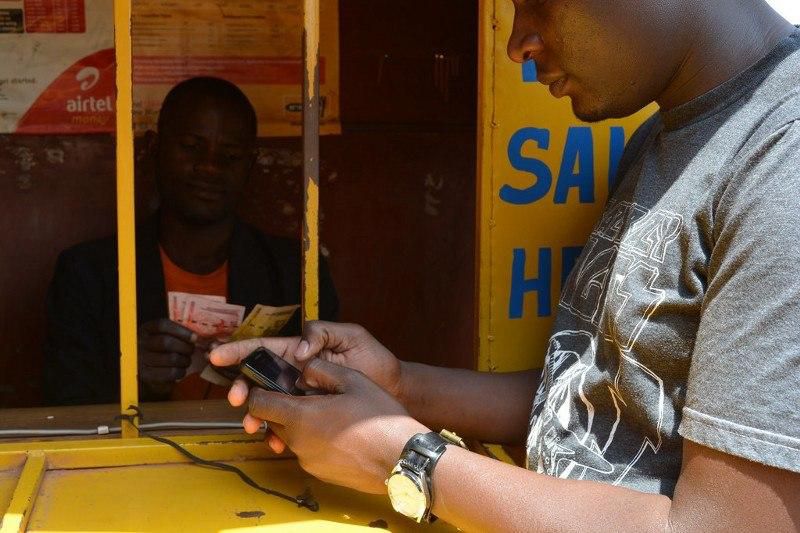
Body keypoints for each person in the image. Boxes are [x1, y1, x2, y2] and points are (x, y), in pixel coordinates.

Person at [211, 1, 800, 530]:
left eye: (537, 2)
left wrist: (400, 457)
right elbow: (591, 402)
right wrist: (400, 384)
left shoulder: (782, 167)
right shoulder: (665, 134)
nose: (517, 43)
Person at [45, 77, 338, 405]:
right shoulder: (88, 274)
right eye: (190, 146)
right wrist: (128, 376)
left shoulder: (294, 273)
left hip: (258, 453)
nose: (209, 167)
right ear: (154, 148)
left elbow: (328, 390)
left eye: (229, 155)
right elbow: (62, 402)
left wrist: (263, 372)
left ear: (250, 165)